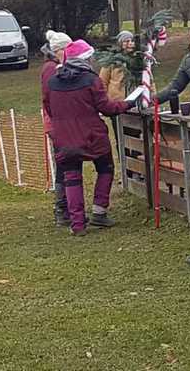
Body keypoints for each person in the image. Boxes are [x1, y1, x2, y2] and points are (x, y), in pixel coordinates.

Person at [43, 40, 136, 235]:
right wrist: (127, 103)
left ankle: (77, 224)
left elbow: (49, 107)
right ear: (86, 59)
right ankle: (99, 212)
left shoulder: (52, 82)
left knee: (71, 177)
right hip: (92, 136)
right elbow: (106, 107)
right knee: (106, 168)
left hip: (64, 138)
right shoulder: (91, 80)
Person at [40, 29, 72, 226]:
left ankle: (65, 207)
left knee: (65, 164)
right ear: (59, 50)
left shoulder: (54, 66)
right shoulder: (51, 69)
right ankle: (62, 208)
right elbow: (50, 97)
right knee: (63, 165)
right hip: (57, 124)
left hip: (59, 122)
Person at [99, 30, 136, 100]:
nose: (130, 43)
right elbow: (102, 82)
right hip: (116, 101)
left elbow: (148, 80)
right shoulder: (111, 61)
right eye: (126, 41)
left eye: (132, 41)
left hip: (134, 100)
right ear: (120, 43)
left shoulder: (137, 60)